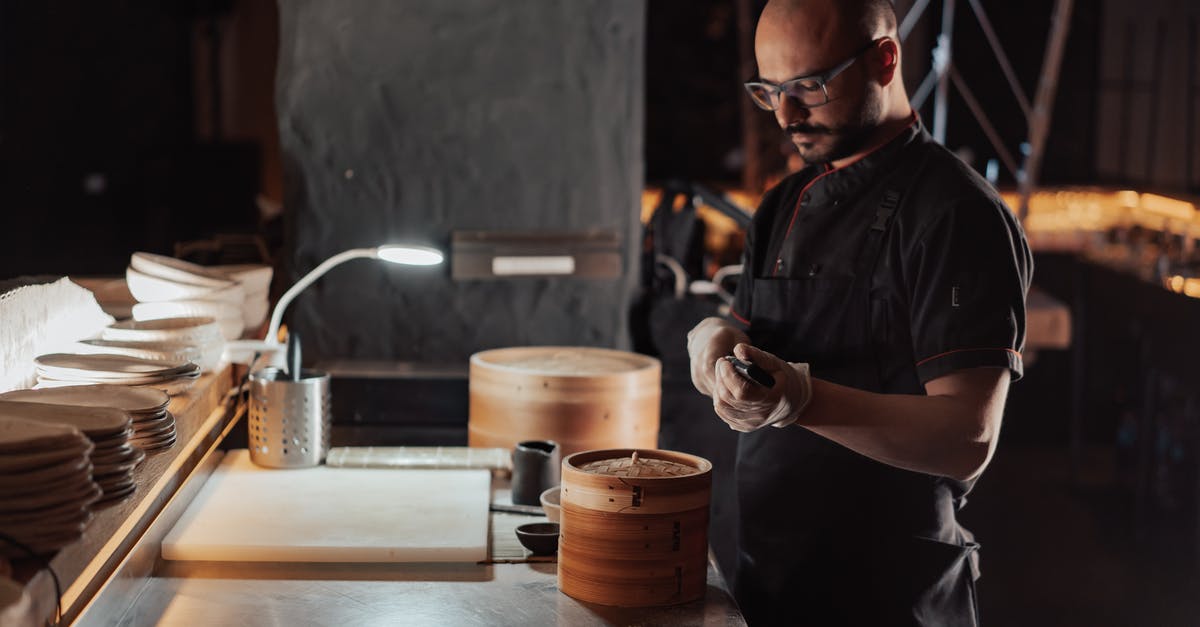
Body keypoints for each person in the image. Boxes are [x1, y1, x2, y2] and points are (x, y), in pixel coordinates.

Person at [685, 0, 1032, 624]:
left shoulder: (957, 214)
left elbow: (967, 437)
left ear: (885, 59)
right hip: (771, 578)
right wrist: (715, 341)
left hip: (891, 594)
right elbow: (751, 330)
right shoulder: (782, 203)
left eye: (809, 86)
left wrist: (801, 399)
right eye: (769, 91)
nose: (786, 115)